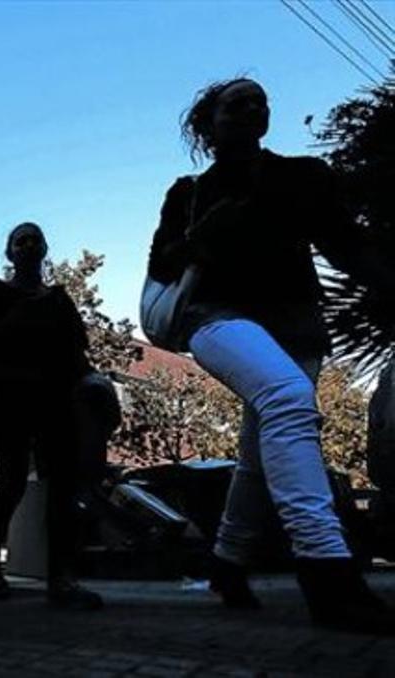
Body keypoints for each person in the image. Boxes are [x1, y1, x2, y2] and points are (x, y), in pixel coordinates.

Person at [148, 77, 395, 634]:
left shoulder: (302, 177)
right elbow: (162, 268)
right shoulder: (188, 193)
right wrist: (200, 238)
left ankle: (227, 563)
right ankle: (329, 574)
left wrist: (387, 285)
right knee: (287, 399)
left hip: (297, 328)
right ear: (207, 123)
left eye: (261, 100)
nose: (254, 107)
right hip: (215, 318)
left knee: (259, 455)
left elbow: (345, 244)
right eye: (237, 102)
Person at [0, 222, 104, 610]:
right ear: (10, 252)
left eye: (35, 239)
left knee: (63, 488)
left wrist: (92, 380)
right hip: (12, 399)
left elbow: (77, 352)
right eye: (20, 240)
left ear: (45, 249)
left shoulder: (60, 300)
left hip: (57, 401)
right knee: (11, 482)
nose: (28, 245)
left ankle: (61, 578)